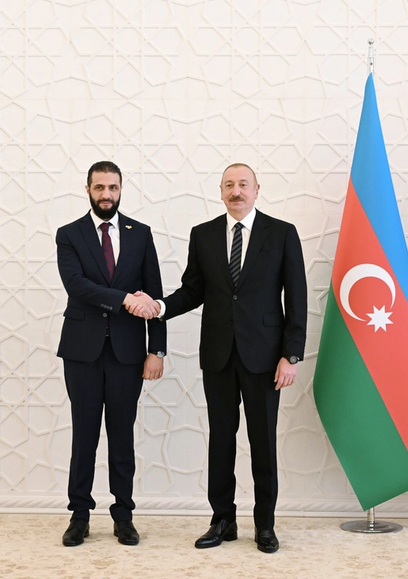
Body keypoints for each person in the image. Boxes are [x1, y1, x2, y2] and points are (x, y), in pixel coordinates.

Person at [142, 163, 307, 553]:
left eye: (243, 184)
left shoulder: (282, 233)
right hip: (218, 355)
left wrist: (291, 355)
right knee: (220, 440)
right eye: (229, 185)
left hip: (265, 358)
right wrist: (160, 307)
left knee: (263, 442)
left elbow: (296, 296)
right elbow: (192, 290)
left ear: (257, 189)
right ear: (220, 191)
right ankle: (222, 520)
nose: (237, 191)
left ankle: (265, 525)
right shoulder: (203, 235)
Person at [55, 161, 166, 547]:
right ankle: (79, 516)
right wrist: (124, 299)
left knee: (121, 437)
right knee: (84, 436)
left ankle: (123, 516)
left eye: (113, 188)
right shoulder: (69, 234)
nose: (106, 195)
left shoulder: (141, 233)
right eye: (99, 187)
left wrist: (157, 350)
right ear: (87, 189)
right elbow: (76, 285)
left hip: (127, 353)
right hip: (81, 352)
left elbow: (154, 295)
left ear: (121, 189)